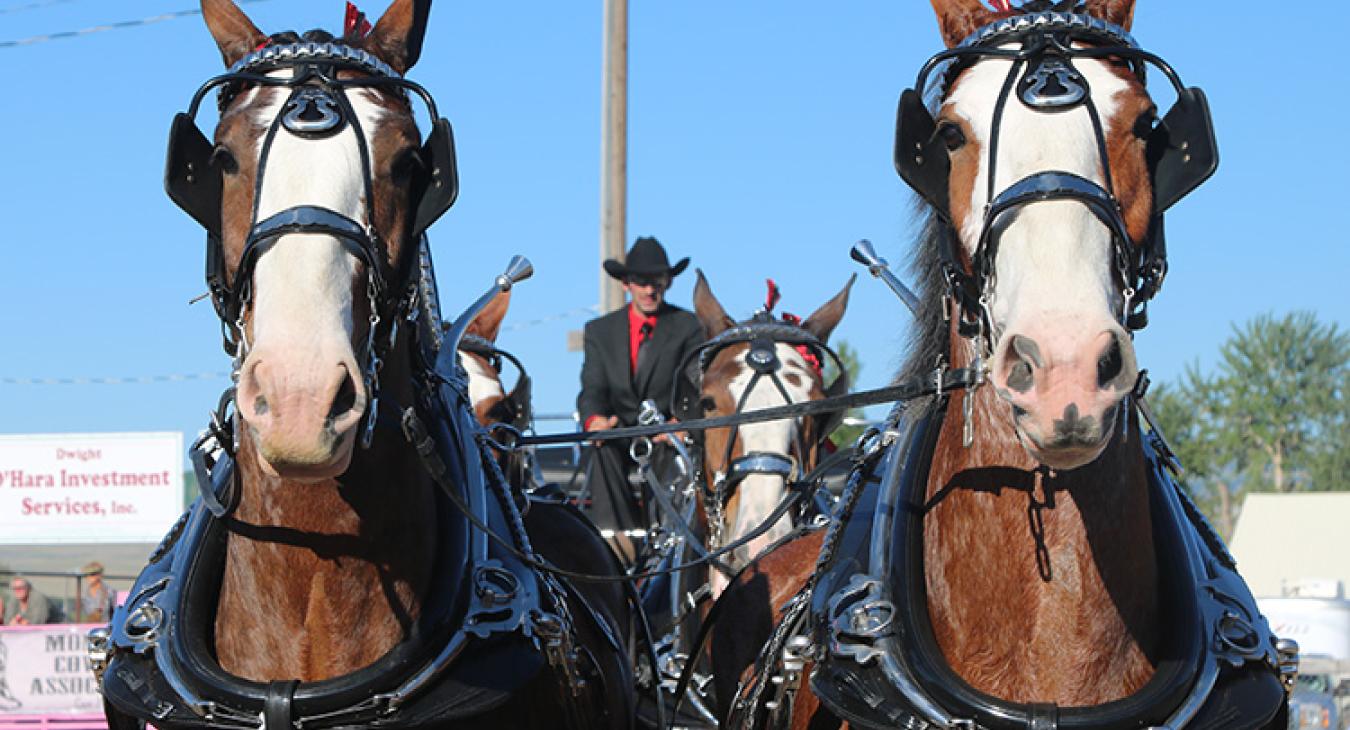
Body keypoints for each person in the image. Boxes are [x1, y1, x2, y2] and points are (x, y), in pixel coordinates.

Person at [577, 236, 704, 562]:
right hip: (618, 438)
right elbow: (591, 389)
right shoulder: (599, 331)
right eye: (642, 283)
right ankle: (617, 548)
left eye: (657, 283)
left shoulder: (688, 327)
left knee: (673, 453)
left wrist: (681, 422)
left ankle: (667, 543)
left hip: (667, 439)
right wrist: (595, 421)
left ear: (669, 282)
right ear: (626, 284)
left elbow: (695, 384)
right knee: (600, 448)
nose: (650, 291)